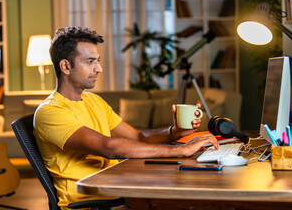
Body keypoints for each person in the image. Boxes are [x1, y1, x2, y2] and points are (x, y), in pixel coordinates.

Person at [34, 26, 219, 209]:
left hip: (119, 191)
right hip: (92, 203)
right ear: (66, 66)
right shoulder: (50, 112)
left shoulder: (94, 101)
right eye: (90, 61)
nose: (99, 68)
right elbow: (109, 147)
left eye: (98, 61)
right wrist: (180, 150)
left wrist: (174, 133)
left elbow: (137, 137)